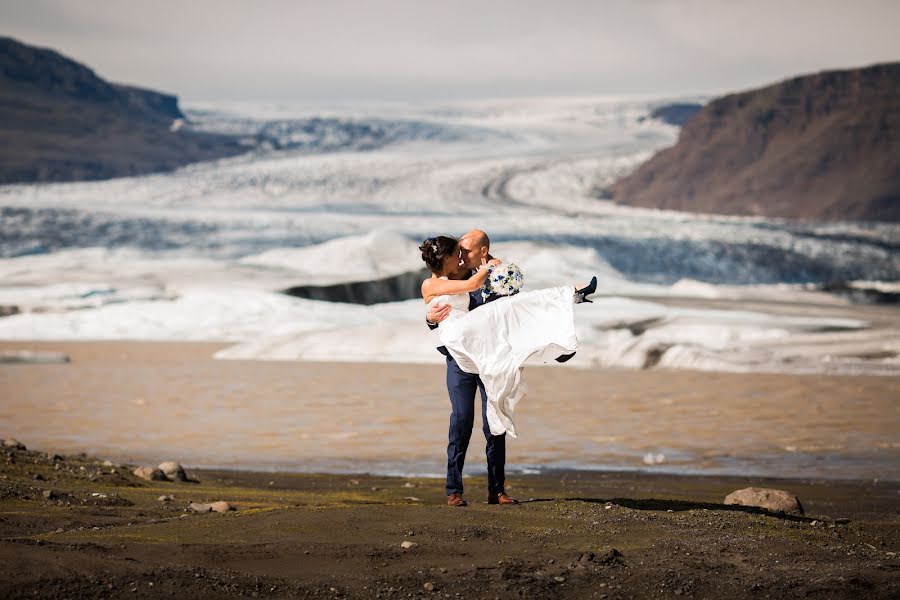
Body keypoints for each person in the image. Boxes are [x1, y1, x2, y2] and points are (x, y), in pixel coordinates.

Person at [422, 230, 596, 507]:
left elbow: (515, 313)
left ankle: (496, 490)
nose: (462, 256)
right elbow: (439, 306)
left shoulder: (500, 274)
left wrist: (495, 271)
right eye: (459, 252)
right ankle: (453, 491)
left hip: (491, 356)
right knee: (461, 421)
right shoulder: (458, 276)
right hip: (460, 360)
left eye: (466, 251)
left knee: (495, 422)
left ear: (483, 251)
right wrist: (430, 318)